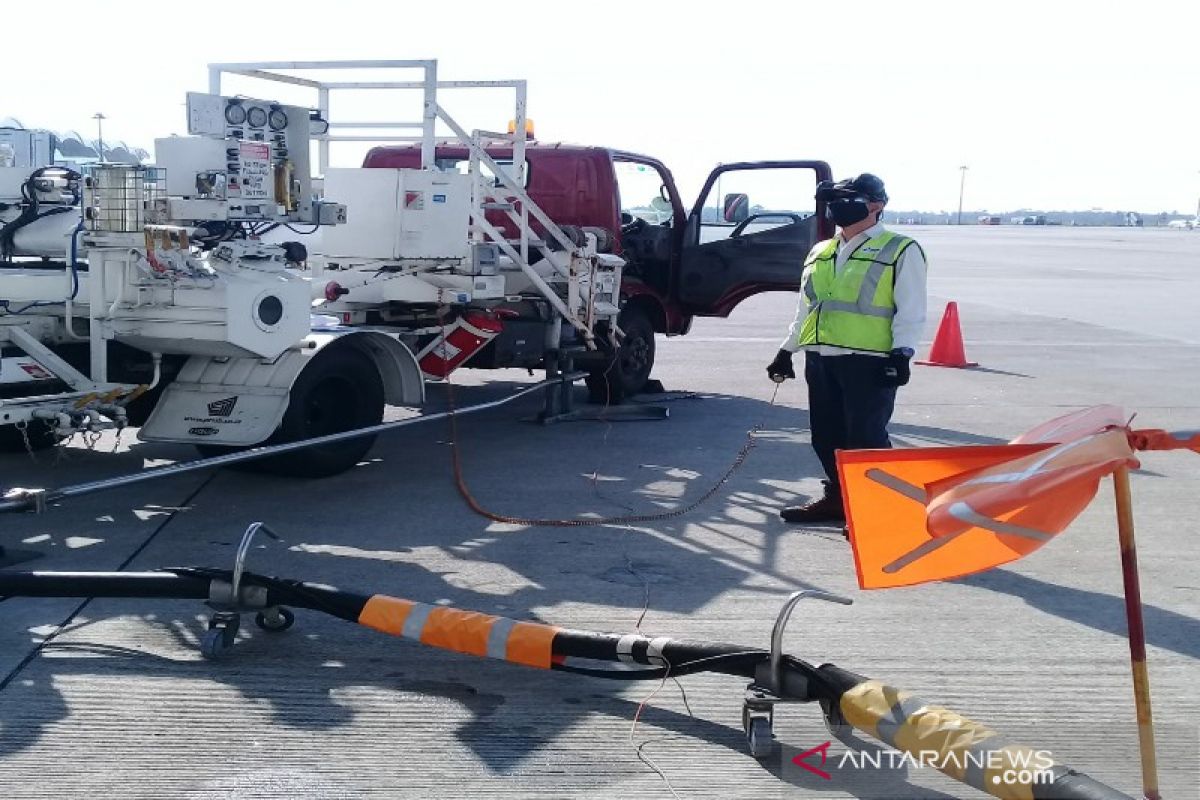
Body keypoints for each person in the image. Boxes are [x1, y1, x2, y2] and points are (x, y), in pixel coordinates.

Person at [766, 173, 927, 524]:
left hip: (869, 361)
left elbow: (911, 308)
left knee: (865, 439)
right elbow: (807, 308)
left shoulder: (900, 249)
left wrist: (903, 352)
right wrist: (786, 350)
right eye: (835, 199)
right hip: (822, 357)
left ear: (876, 205)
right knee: (826, 438)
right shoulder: (821, 250)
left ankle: (878, 514)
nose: (838, 206)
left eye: (849, 199)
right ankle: (839, 500)